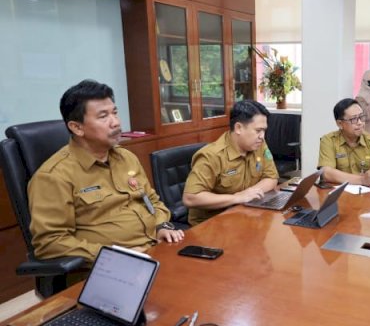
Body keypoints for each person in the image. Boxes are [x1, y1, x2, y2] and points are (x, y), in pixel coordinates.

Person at [28, 80, 184, 262]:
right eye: (103, 116)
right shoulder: (54, 176)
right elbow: (49, 242)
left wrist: (162, 226)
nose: (116, 122)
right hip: (106, 266)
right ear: (77, 127)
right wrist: (115, 254)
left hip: (154, 250)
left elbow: (152, 201)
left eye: (115, 113)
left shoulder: (126, 158)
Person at [183, 100, 279, 225]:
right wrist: (237, 198)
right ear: (238, 128)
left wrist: (250, 194)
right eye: (258, 130)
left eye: (264, 131)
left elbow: (271, 177)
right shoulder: (212, 155)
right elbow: (190, 198)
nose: (262, 136)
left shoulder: (258, 145)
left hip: (245, 215)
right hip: (212, 223)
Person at [317, 98, 370, 188]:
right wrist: (362, 180)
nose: (360, 123)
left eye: (361, 117)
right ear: (340, 124)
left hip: (367, 196)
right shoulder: (328, 140)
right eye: (353, 119)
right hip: (336, 195)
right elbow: (326, 173)